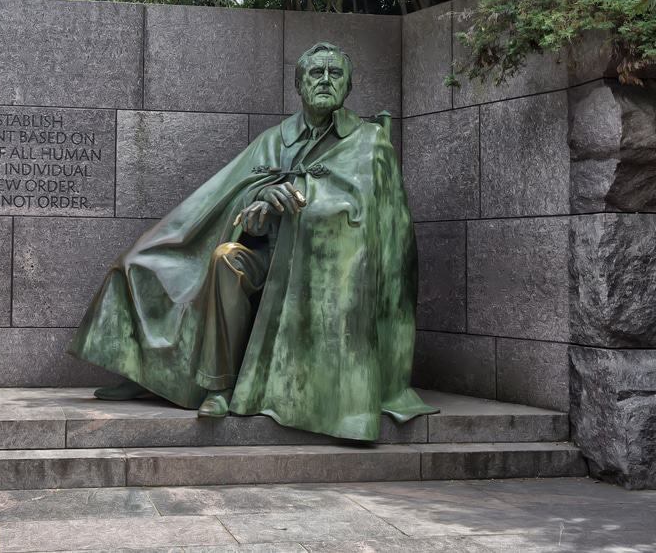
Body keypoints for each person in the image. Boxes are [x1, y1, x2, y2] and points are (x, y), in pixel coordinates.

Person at [68, 41, 437, 441]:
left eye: (335, 74)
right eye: (317, 73)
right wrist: (260, 201)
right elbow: (235, 196)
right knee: (195, 259)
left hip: (322, 271)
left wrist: (307, 203)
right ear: (300, 84)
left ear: (348, 87)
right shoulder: (274, 140)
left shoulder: (370, 142)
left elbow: (382, 225)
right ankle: (201, 381)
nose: (326, 81)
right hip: (267, 257)